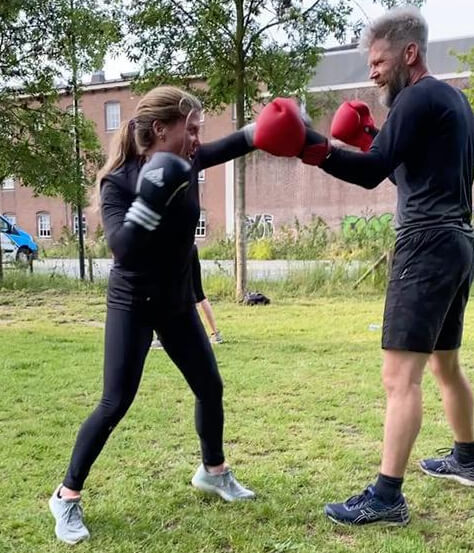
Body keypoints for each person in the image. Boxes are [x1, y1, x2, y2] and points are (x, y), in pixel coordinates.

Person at [48, 86, 306, 544]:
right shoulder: (119, 181)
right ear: (160, 129)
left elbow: (239, 142)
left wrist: (277, 123)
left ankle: (214, 471)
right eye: (190, 130)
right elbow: (122, 249)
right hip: (132, 302)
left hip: (176, 301)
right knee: (115, 402)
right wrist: (151, 196)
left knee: (210, 386)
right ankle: (66, 497)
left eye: (199, 130)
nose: (196, 139)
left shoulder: (188, 160)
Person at [298, 7, 474, 525]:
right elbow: (412, 175)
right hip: (458, 241)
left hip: (423, 246)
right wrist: (370, 138)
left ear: (409, 53)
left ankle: (387, 497)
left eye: (378, 61)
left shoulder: (416, 98)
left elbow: (374, 172)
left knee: (400, 378)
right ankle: (468, 456)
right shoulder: (454, 101)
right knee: (444, 363)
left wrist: (312, 147)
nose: (372, 71)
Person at [151, 244, 223, 349]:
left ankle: (161, 338)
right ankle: (215, 334)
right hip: (189, 245)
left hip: (172, 248)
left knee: (164, 293)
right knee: (199, 294)